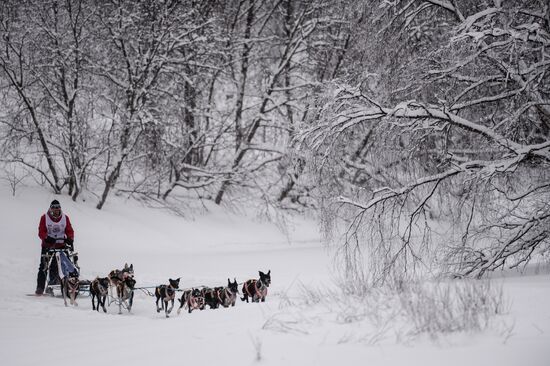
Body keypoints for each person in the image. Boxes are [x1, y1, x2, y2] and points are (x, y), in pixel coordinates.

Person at [35, 200, 75, 295]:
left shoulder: (65, 218)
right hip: (48, 245)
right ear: (51, 209)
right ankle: (40, 287)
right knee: (44, 267)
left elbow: (69, 230)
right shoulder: (44, 218)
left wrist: (70, 238)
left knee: (66, 265)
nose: (56, 211)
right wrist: (46, 237)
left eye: (58, 208)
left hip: (61, 245)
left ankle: (67, 285)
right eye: (54, 208)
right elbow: (41, 231)